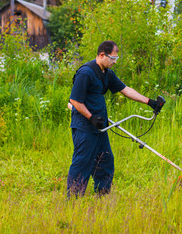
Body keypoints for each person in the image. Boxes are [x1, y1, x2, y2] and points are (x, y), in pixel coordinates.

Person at [67, 40, 161, 197]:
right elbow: (75, 101)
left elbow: (125, 90)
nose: (115, 62)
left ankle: (102, 194)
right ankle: (74, 200)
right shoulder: (85, 73)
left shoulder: (107, 74)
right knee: (83, 162)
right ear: (102, 55)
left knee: (105, 161)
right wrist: (90, 117)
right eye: (112, 58)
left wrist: (150, 102)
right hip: (85, 125)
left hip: (100, 126)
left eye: (116, 58)